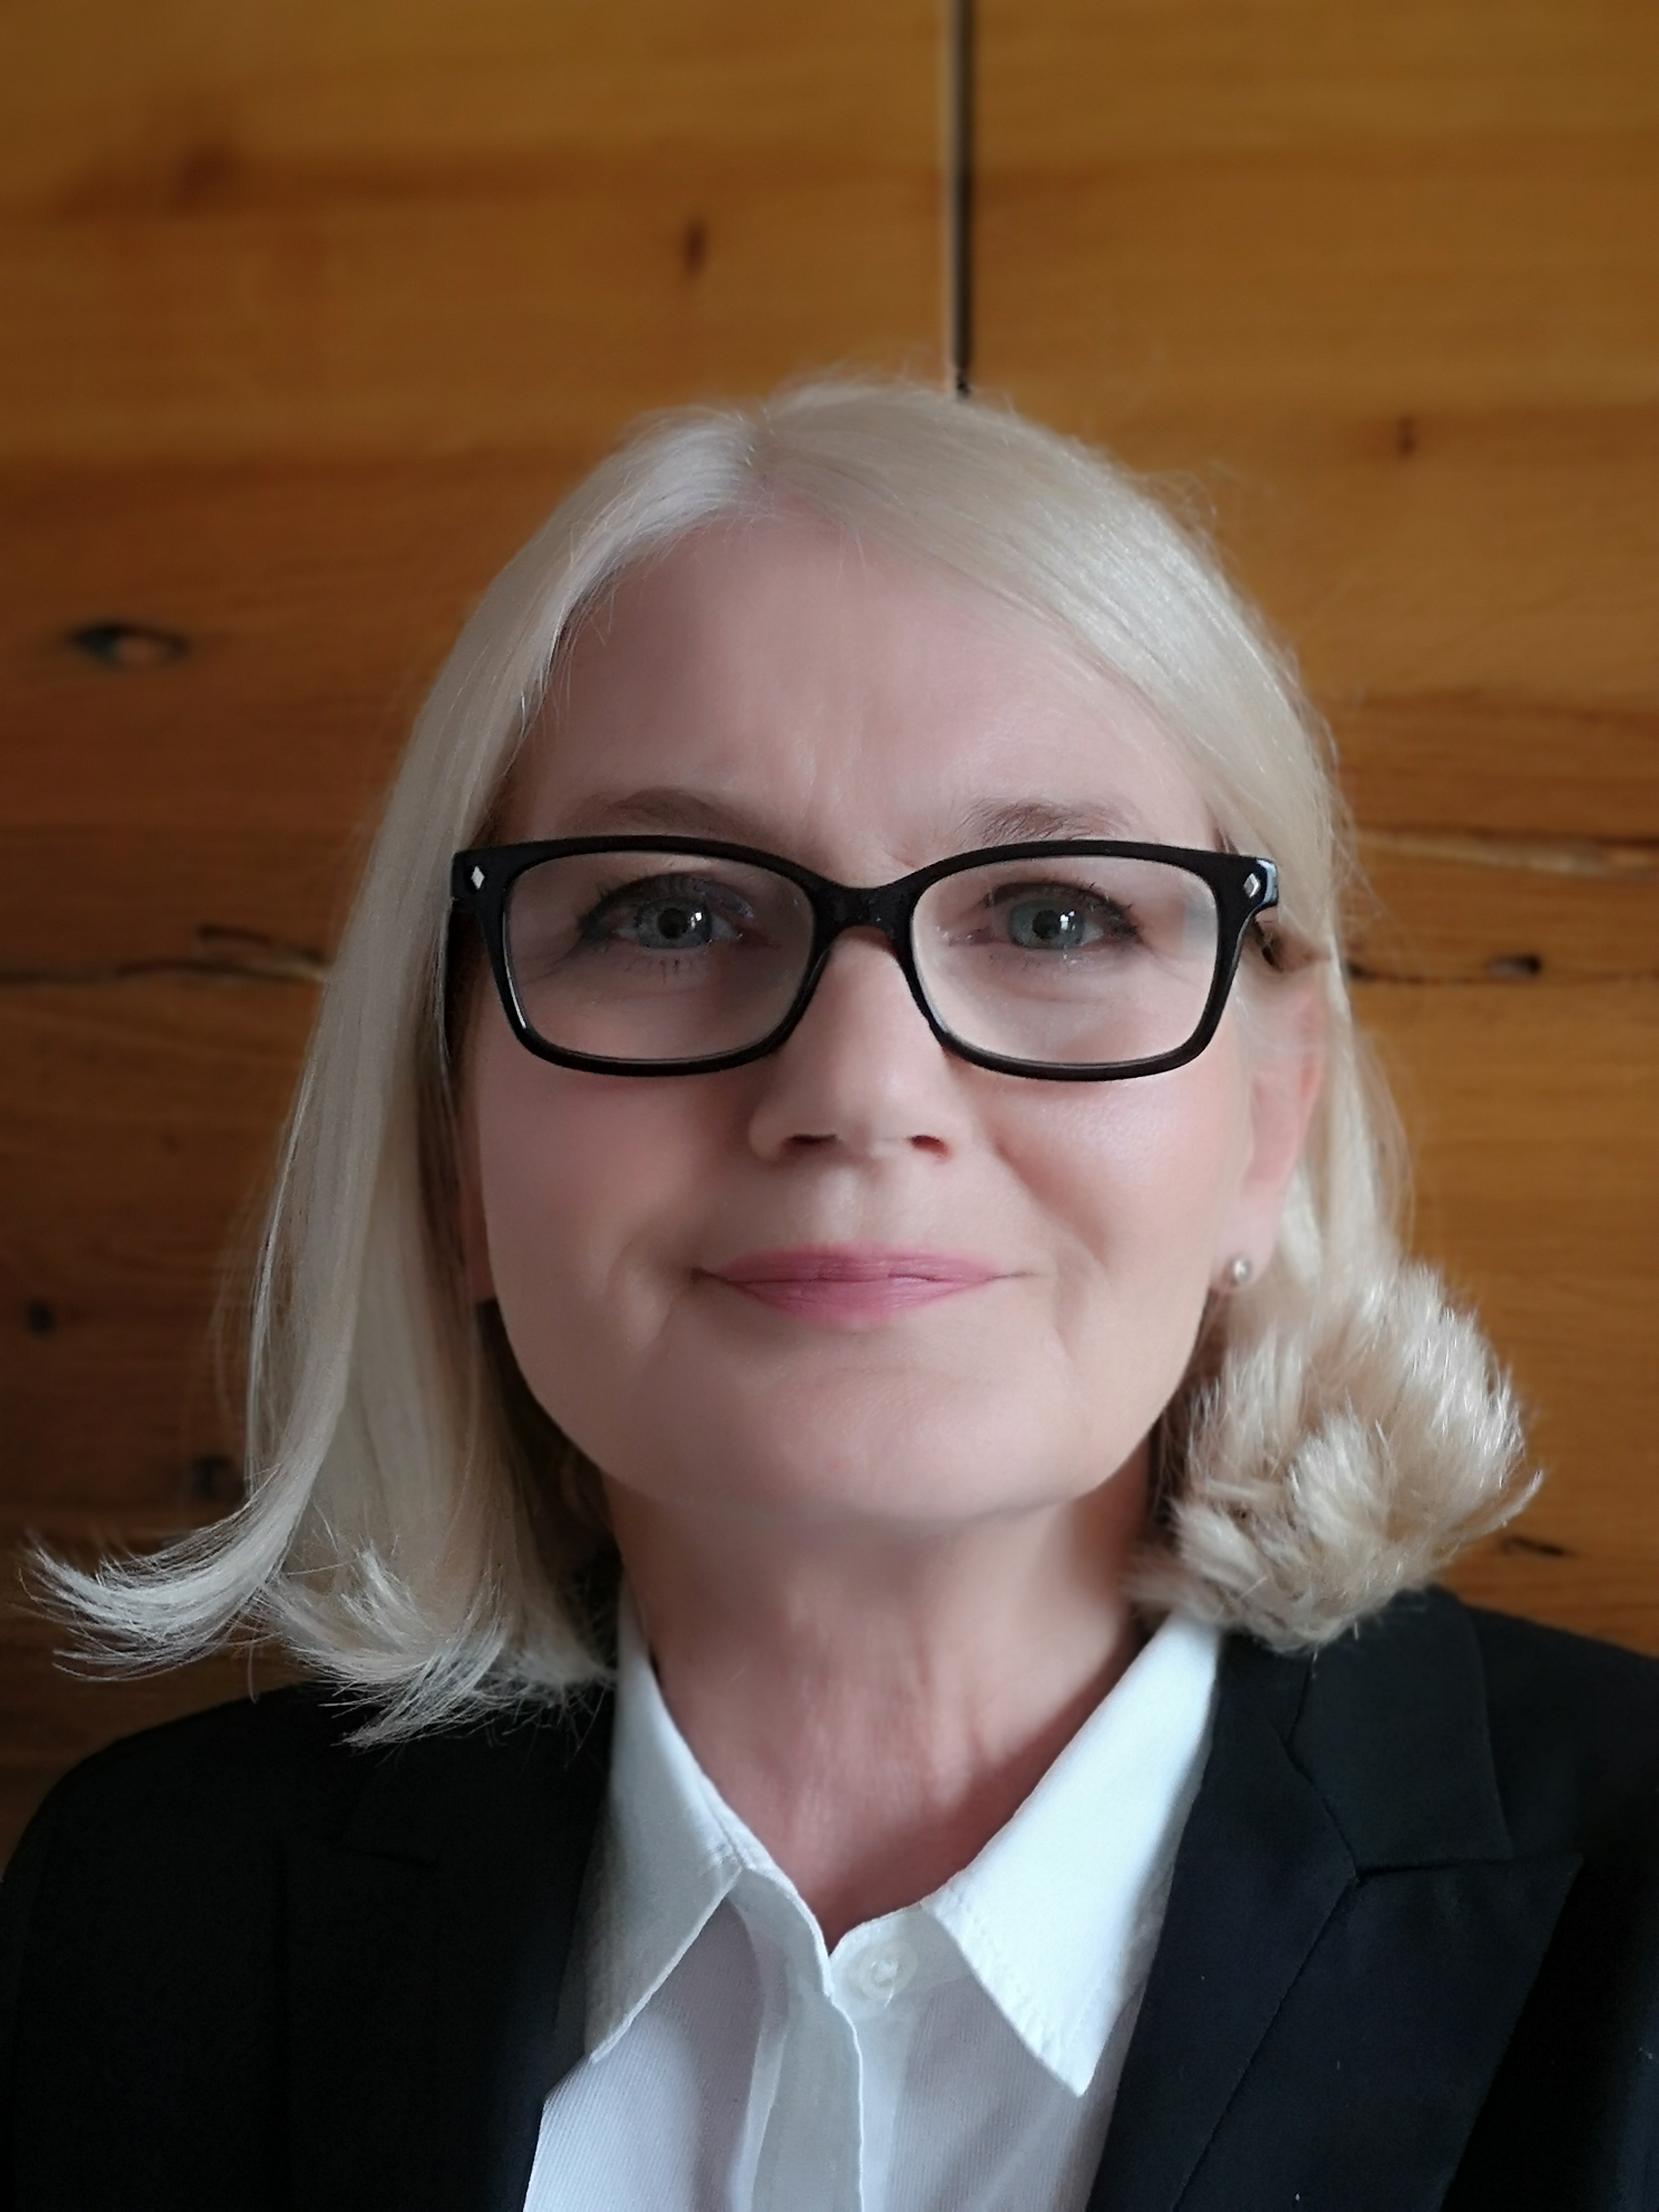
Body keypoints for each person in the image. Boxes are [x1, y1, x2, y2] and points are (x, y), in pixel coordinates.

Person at [2, 380, 1656, 2212]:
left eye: (1053, 917)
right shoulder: (145, 1922)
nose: (861, 1090)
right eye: (671, 915)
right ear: (454, 1141)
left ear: (1268, 1123)